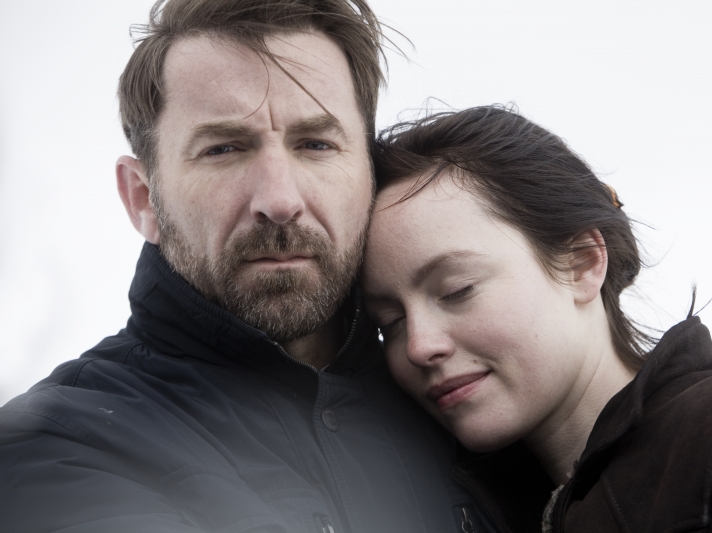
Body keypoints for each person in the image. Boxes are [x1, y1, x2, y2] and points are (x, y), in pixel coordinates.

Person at [0, 1, 493, 532]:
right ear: (143, 199)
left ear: (370, 174)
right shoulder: (56, 447)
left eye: (316, 144)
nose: (279, 201)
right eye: (223, 149)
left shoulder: (467, 403)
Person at [362, 105, 712, 533]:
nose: (419, 347)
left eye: (457, 290)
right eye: (389, 323)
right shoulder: (460, 510)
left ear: (582, 263)